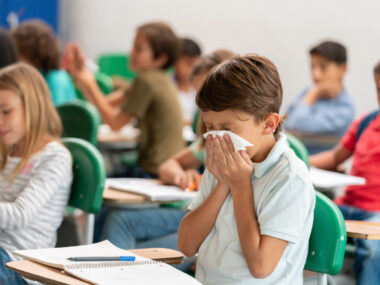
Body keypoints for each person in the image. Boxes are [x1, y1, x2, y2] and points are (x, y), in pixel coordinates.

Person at [178, 54, 315, 284]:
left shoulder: (290, 178)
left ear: (269, 124)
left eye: (228, 129)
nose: (218, 137)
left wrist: (241, 187)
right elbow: (186, 245)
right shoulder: (225, 164)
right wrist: (223, 183)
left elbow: (260, 266)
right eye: (210, 127)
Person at [65, 21, 184, 178]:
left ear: (160, 58)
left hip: (154, 172)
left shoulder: (147, 82)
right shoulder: (156, 79)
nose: (131, 53)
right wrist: (85, 79)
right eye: (133, 47)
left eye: (139, 49)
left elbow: (114, 123)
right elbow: (104, 104)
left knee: (90, 180)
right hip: (162, 168)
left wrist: (90, 84)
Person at [0, 63, 73, 284]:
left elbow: (21, 214)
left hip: (21, 265)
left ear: (33, 107)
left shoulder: (55, 157)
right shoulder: (7, 149)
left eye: (6, 111)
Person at [310, 61, 380, 285]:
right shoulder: (366, 122)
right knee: (296, 217)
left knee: (372, 252)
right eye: (379, 90)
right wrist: (299, 162)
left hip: (376, 213)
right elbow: (334, 157)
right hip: (346, 205)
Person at [159, 49, 235, 190]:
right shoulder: (210, 140)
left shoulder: (239, 141)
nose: (204, 104)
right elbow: (166, 167)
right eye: (199, 96)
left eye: (211, 94)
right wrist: (183, 177)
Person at [284, 40, 355, 154]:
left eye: (323, 67)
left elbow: (296, 124)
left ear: (342, 69)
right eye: (312, 67)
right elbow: (283, 123)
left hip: (317, 168)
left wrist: (314, 93)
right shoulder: (306, 92)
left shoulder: (345, 108)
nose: (315, 74)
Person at [11, 20, 77, 106]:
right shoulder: (36, 77)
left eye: (20, 53)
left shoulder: (56, 80)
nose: (16, 59)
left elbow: (55, 117)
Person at [174, 38, 201, 125]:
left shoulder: (198, 87)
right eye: (188, 64)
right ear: (175, 62)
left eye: (196, 65)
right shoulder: (167, 86)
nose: (192, 70)